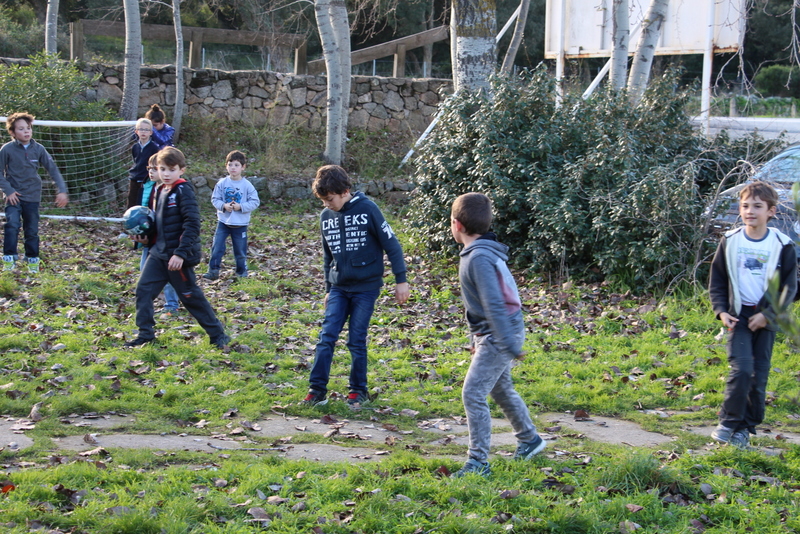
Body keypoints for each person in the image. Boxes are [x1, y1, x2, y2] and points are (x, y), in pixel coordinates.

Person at [449, 192, 545, 477]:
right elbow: (476, 304)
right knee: (500, 389)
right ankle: (530, 439)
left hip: (499, 334)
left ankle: (478, 462)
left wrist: (506, 344)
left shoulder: (479, 257)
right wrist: (474, 339)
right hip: (494, 333)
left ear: (457, 225)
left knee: (472, 393)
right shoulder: (479, 252)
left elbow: (494, 303)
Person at [303, 165, 409, 406]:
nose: (327, 204)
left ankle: (357, 390)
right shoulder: (326, 216)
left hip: (366, 288)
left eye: (330, 199)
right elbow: (328, 256)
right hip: (339, 288)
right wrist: (328, 290)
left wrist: (401, 280)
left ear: (345, 191)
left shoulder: (368, 209)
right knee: (326, 337)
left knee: (356, 339)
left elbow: (392, 245)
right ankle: (316, 390)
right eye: (323, 200)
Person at [709, 181, 797, 448]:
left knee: (758, 378)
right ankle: (728, 422)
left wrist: (767, 315)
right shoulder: (731, 241)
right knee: (742, 369)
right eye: (745, 205)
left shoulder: (782, 244)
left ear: (771, 211)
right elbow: (718, 281)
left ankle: (745, 429)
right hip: (738, 316)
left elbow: (789, 287)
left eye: (757, 206)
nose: (750, 211)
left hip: (766, 319)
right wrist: (721, 311)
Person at [126, 147, 229, 349]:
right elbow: (159, 223)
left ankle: (218, 335)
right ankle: (145, 334)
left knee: (190, 296)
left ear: (181, 170)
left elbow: (192, 224)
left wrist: (180, 254)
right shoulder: (158, 190)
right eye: (162, 169)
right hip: (158, 254)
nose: (166, 174)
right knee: (143, 291)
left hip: (177, 258)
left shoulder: (183, 191)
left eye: (171, 169)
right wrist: (145, 239)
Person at [0, 112, 69, 274]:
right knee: (12, 225)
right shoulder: (7, 149)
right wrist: (9, 191)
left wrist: (62, 190)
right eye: (21, 129)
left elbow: (53, 170)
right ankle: (9, 259)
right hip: (13, 197)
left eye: (28, 128)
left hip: (32, 196)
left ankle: (32, 260)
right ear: (12, 132)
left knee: (31, 230)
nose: (26, 131)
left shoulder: (39, 149)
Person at [203, 150, 260, 280]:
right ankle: (213, 271)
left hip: (240, 224)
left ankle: (241, 273)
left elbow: (255, 202)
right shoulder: (222, 183)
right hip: (223, 222)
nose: (233, 168)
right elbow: (215, 199)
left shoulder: (247, 185)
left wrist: (241, 207)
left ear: (243, 167)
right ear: (226, 166)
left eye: (236, 165)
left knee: (240, 250)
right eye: (230, 165)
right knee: (217, 247)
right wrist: (223, 206)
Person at [139, 153, 180, 316]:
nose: (151, 172)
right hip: (150, 241)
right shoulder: (149, 188)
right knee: (144, 270)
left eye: (155, 168)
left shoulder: (173, 192)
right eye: (149, 168)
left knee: (168, 274)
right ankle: (145, 304)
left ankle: (172, 304)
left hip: (166, 243)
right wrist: (139, 232)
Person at [127, 118, 159, 210]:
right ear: (136, 131)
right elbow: (135, 160)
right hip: (134, 178)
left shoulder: (154, 148)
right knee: (132, 202)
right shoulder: (135, 147)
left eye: (146, 129)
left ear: (151, 132)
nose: (143, 132)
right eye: (141, 129)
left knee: (143, 202)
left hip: (146, 179)